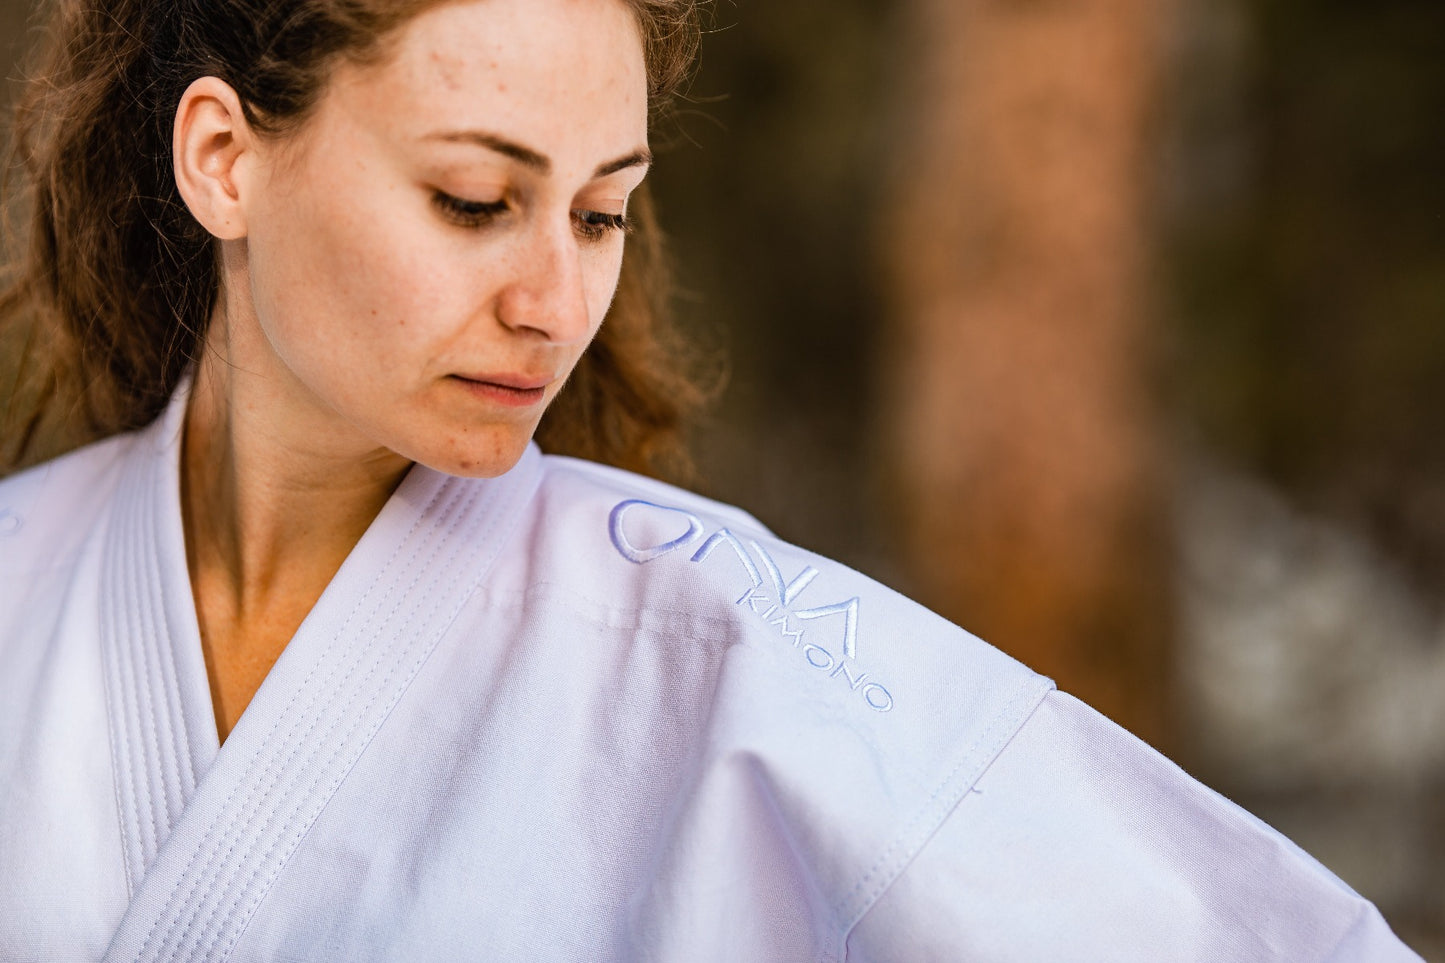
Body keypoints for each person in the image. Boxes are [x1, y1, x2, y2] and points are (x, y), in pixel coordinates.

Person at [0, 0, 1421, 960]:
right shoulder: (21, 584)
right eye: (475, 202)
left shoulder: (728, 648)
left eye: (601, 210)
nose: (558, 300)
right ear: (222, 160)